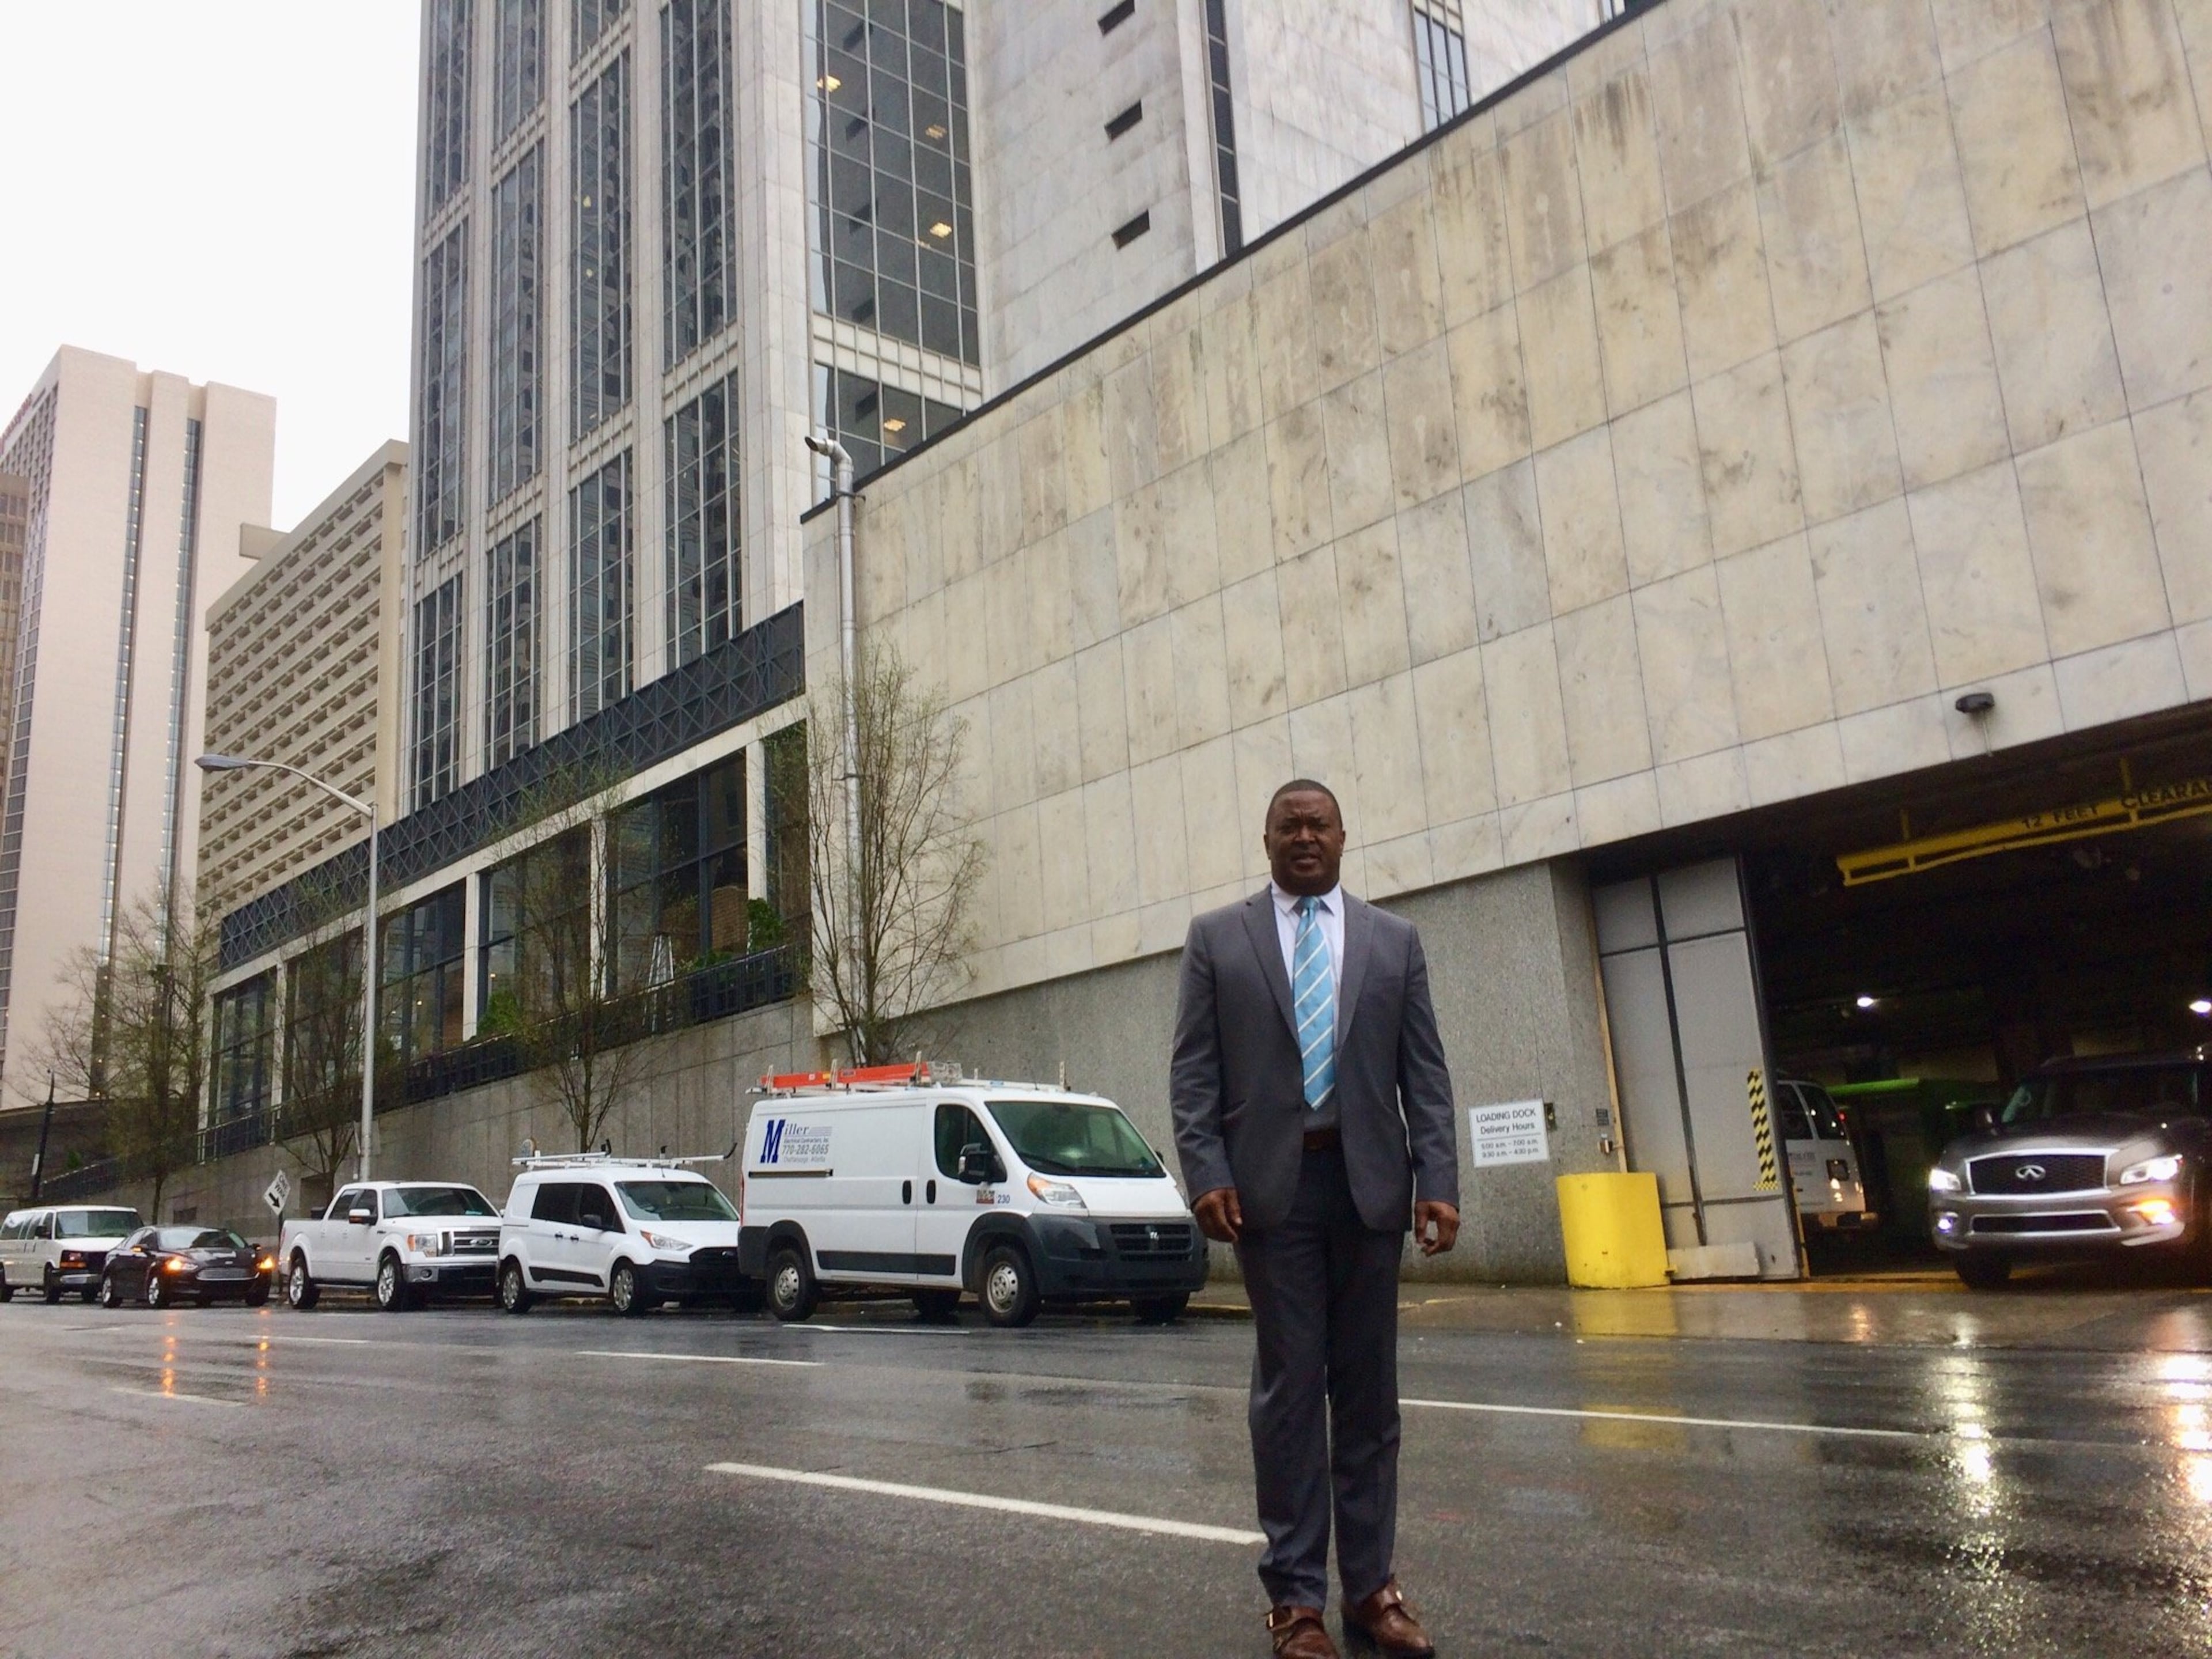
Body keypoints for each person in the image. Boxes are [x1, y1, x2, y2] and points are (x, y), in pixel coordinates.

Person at [1169, 779, 1459, 1658]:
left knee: (1369, 1400)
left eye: (1318, 825)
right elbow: (1195, 1072)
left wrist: (1437, 1180)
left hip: (1370, 1191)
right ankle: (1296, 1603)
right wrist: (1206, 1172)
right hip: (1272, 1197)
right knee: (1292, 1397)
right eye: (1288, 826)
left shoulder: (1394, 942)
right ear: (1266, 841)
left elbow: (1426, 1072)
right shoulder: (1219, 939)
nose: (1304, 837)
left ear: (1342, 836)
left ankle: (1372, 1590)